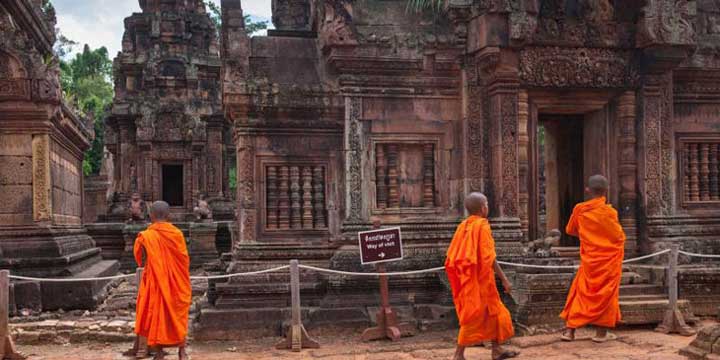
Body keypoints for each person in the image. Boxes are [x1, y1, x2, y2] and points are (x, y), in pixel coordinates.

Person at [445, 193, 518, 360]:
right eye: (486, 204)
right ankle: (458, 354)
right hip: (480, 281)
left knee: (494, 313)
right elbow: (489, 258)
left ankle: (496, 349)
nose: (487, 207)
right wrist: (505, 279)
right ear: (483, 208)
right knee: (473, 316)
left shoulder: (463, 226)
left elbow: (453, 256)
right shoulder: (482, 226)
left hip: (471, 279)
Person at [560, 175, 626, 343]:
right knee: (607, 294)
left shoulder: (580, 209)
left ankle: (570, 332)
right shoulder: (610, 212)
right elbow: (618, 237)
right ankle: (600, 334)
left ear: (587, 190)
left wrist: (587, 236)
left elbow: (570, 230)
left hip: (590, 259)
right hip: (608, 261)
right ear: (606, 191)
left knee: (581, 292)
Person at [133, 201, 192, 360]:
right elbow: (184, 260)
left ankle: (159, 352)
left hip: (156, 281)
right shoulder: (177, 234)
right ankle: (182, 351)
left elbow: (140, 259)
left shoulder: (147, 236)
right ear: (169, 216)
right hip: (177, 282)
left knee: (156, 314)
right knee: (178, 313)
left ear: (151, 216)